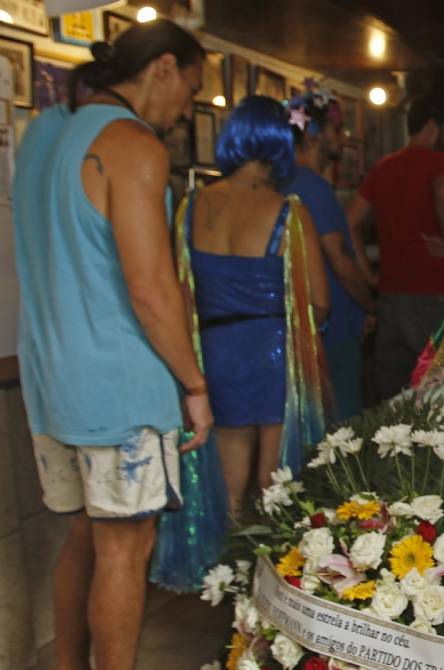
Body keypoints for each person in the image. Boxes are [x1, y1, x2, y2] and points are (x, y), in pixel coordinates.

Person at [12, 21, 211, 670]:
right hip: (118, 383)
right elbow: (151, 289)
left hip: (48, 377)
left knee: (84, 536)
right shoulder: (131, 144)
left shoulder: (43, 131)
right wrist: (195, 385)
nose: (187, 108)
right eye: (191, 87)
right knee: (126, 547)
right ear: (162, 68)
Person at [181, 95, 329, 516]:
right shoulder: (289, 213)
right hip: (273, 353)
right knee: (275, 489)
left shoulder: (191, 206)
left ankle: (224, 575)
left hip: (215, 353)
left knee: (227, 491)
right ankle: (263, 573)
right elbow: (320, 304)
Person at [345, 96, 444, 398]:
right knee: (437, 386)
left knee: (390, 390)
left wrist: (369, 275)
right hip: (435, 290)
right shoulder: (440, 162)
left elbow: (350, 221)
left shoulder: (384, 167)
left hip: (392, 293)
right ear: (433, 127)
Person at [283, 84, 374, 421]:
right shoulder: (314, 188)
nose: (345, 135)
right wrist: (370, 303)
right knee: (342, 424)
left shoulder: (282, 180)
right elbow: (339, 261)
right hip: (330, 329)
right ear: (315, 134)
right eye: (337, 127)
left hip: (303, 327)